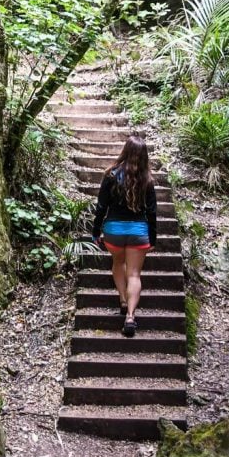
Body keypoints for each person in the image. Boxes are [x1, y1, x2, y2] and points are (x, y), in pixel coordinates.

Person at [91, 135, 157, 337]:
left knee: (118, 263)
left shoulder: (110, 175)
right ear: (144, 156)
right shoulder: (147, 180)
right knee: (134, 274)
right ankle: (130, 316)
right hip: (138, 232)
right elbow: (152, 212)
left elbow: (101, 206)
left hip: (114, 231)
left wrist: (96, 231)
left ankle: (122, 299)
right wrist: (152, 238)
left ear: (125, 151)